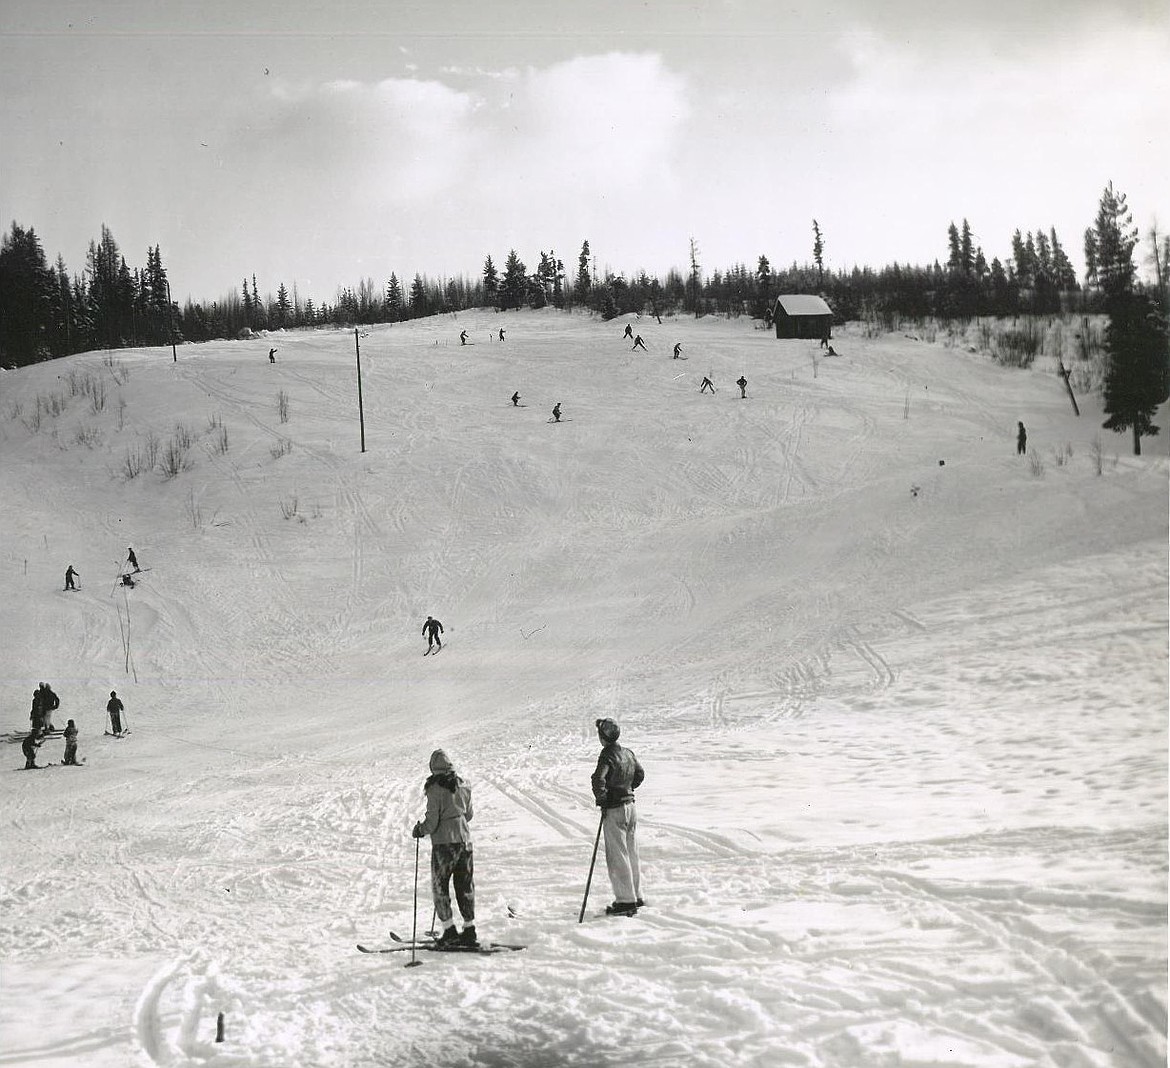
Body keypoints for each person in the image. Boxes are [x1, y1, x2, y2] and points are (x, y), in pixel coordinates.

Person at [412, 749, 476, 947]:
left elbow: (432, 822)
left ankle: (449, 930)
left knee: (440, 886)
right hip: (465, 841)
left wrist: (420, 830)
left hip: (444, 844)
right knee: (464, 885)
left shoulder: (435, 788)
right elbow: (469, 814)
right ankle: (469, 929)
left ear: (433, 768)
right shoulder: (463, 784)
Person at [591, 718, 644, 916]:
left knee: (618, 854)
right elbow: (639, 774)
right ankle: (636, 896)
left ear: (602, 737)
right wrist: (627, 789)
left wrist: (604, 798)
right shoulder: (628, 753)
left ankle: (625, 901)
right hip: (631, 807)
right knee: (632, 852)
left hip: (615, 809)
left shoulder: (607, 755)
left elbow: (598, 779)